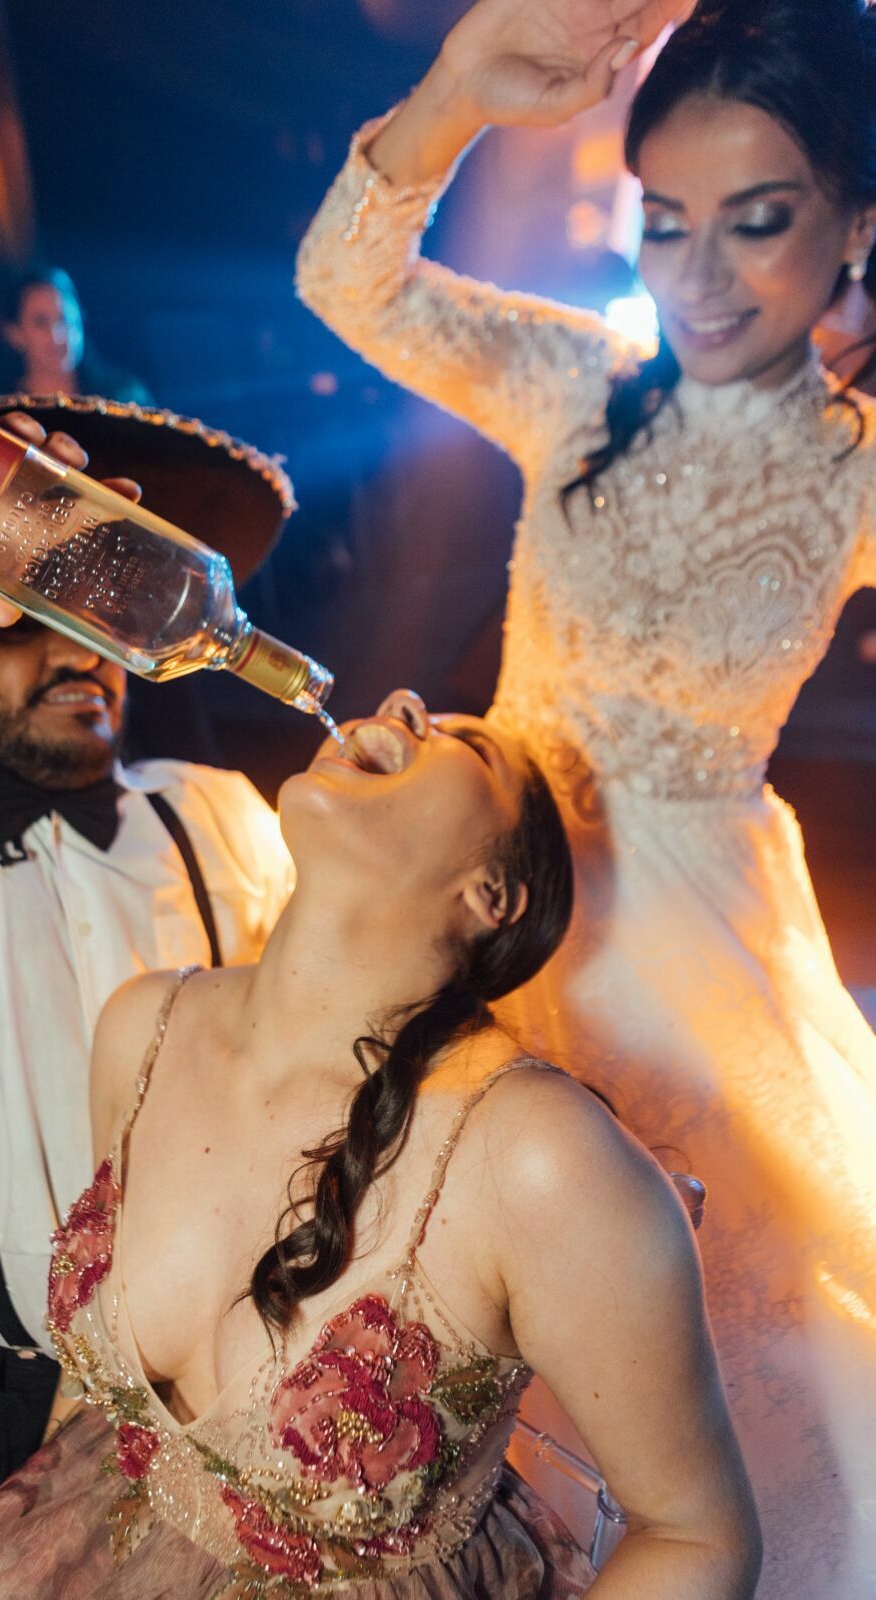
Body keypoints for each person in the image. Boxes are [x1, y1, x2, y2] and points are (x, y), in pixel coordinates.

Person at [294, 1, 876, 1595]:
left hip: (691, 952)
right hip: (477, 887)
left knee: (715, 1339)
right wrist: (457, 89)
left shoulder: (853, 470)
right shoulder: (575, 383)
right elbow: (346, 281)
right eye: (663, 220)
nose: (696, 272)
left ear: (852, 227)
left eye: (754, 220)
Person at [0, 687, 760, 1599]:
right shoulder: (142, 1028)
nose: (401, 701)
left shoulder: (536, 1155)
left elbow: (698, 1536)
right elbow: (89, 1407)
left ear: (491, 895)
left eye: (466, 746)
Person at [0, 373, 293, 1589]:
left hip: (219, 1406)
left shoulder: (219, 817)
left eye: (91, 607)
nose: (80, 645)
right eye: (25, 611)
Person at [0, 263, 154, 403]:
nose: (58, 336)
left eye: (65, 319)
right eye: (41, 322)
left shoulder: (124, 397)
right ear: (14, 333)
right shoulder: (1, 408)